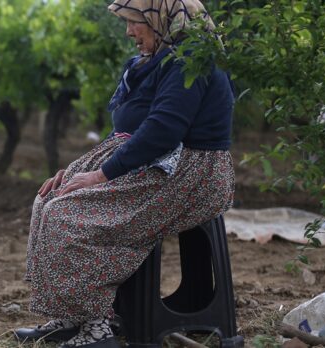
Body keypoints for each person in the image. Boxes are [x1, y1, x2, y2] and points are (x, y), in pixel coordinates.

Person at [14, 1, 235, 347]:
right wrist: (78, 170)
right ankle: (74, 317)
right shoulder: (155, 62)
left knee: (69, 217)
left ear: (162, 20)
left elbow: (163, 130)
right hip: (157, 163)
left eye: (136, 22)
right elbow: (130, 130)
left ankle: (98, 327)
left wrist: (101, 175)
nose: (129, 31)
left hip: (188, 174)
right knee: (50, 199)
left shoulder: (189, 62)